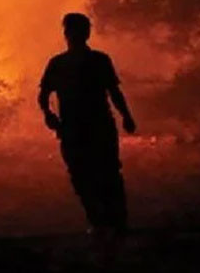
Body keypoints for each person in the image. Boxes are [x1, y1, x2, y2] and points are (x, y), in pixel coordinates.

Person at [39, 13, 136, 237]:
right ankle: (100, 222)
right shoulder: (60, 64)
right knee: (82, 175)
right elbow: (43, 95)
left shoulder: (97, 61)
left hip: (95, 127)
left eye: (79, 30)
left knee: (106, 173)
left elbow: (114, 92)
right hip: (76, 129)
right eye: (73, 30)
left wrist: (126, 116)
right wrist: (48, 114)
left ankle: (115, 222)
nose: (75, 35)